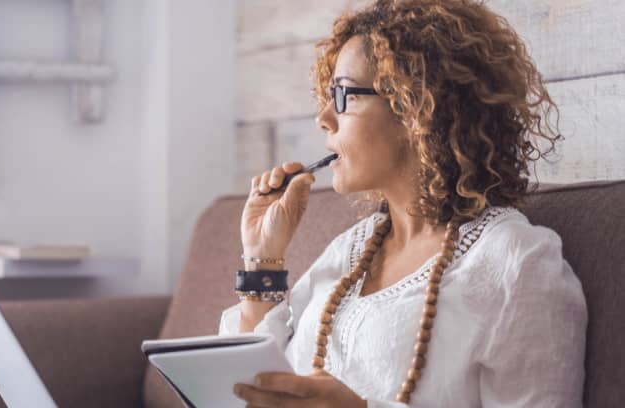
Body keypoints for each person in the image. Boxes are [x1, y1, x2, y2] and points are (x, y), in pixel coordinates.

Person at [221, 0, 588, 406]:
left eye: (343, 95)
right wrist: (261, 257)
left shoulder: (515, 262)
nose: (323, 118)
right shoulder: (350, 251)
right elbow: (253, 390)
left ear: (415, 108)